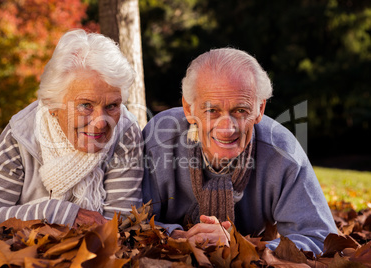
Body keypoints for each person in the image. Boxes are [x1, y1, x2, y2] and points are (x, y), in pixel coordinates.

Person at [142, 48, 337, 254]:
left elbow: (320, 238)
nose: (227, 129)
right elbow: (129, 221)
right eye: (212, 111)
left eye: (241, 111)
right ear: (189, 109)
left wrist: (239, 245)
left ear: (259, 109)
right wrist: (181, 238)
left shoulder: (282, 152)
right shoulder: (159, 139)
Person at [0, 29, 143, 228]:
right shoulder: (22, 133)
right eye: (85, 105)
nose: (102, 123)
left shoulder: (125, 130)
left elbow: (119, 225)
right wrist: (55, 212)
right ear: (52, 104)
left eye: (112, 106)